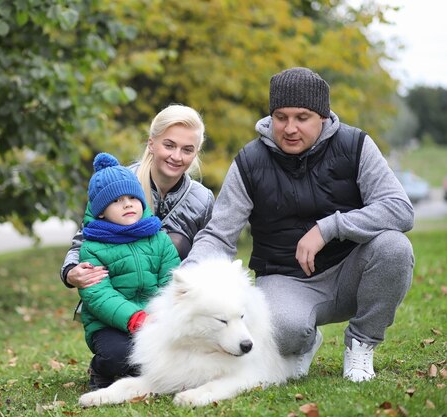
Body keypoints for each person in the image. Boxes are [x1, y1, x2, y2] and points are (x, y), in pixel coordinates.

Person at [182, 67, 414, 382]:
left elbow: (400, 209)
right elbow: (218, 235)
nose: (290, 128)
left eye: (301, 117)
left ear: (322, 116)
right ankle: (302, 342)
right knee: (279, 331)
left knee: (394, 247)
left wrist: (329, 228)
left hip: (352, 272)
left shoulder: (356, 145)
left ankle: (361, 343)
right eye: (281, 117)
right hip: (286, 279)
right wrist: (189, 279)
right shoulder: (250, 162)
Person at [60, 104, 214, 290]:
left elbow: (209, 255)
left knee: (176, 241)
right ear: (151, 144)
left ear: (196, 152)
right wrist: (70, 271)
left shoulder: (202, 199)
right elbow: (85, 237)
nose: (176, 156)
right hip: (116, 295)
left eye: (187, 150)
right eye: (169, 145)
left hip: (173, 299)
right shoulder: (118, 181)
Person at [77, 152, 181, 390]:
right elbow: (99, 295)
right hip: (110, 325)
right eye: (116, 200)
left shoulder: (157, 238)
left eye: (132, 197)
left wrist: (165, 314)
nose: (127, 204)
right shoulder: (93, 247)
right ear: (101, 211)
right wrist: (135, 318)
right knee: (121, 357)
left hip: (155, 319)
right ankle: (100, 367)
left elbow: (171, 279)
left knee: (167, 355)